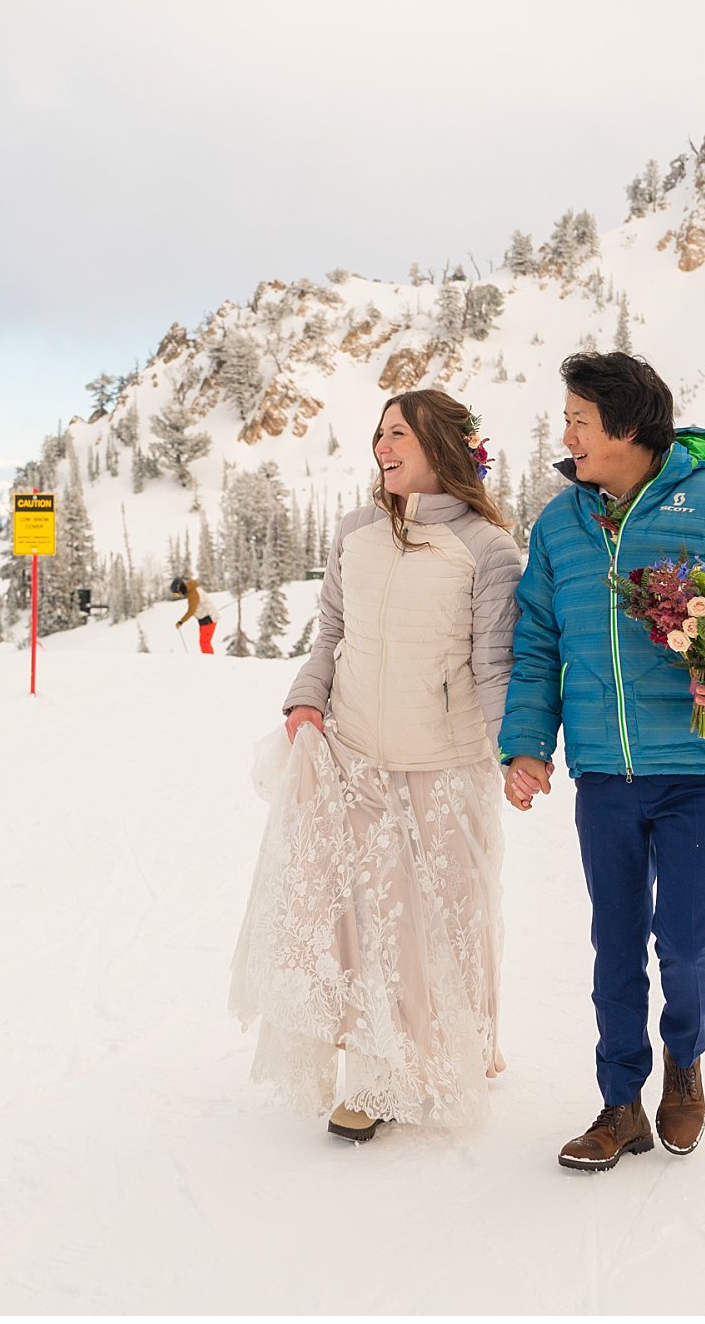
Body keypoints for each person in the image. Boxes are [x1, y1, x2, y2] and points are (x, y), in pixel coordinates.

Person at [499, 350, 705, 1172]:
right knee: (614, 942)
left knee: (684, 942)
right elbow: (536, 641)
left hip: (702, 775)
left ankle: (685, 1060)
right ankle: (618, 1104)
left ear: (628, 429)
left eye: (579, 420)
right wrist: (528, 744)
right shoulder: (561, 523)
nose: (565, 433)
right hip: (604, 772)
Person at [230, 389, 522, 1143]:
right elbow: (330, 632)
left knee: (452, 915)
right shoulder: (356, 533)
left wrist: (517, 750)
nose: (383, 447)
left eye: (400, 434)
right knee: (370, 921)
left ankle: (463, 1045)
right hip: (355, 755)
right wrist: (305, 701)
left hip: (446, 763)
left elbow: (494, 665)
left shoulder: (487, 549)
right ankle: (381, 1075)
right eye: (380, 434)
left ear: (443, 447)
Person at [168, 577, 215, 653]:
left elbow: (191, 610)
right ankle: (209, 660)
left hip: (208, 619)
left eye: (177, 593)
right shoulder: (191, 591)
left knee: (204, 643)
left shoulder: (193, 594)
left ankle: (211, 661)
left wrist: (181, 621)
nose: (179, 595)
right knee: (203, 642)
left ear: (180, 589)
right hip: (205, 619)